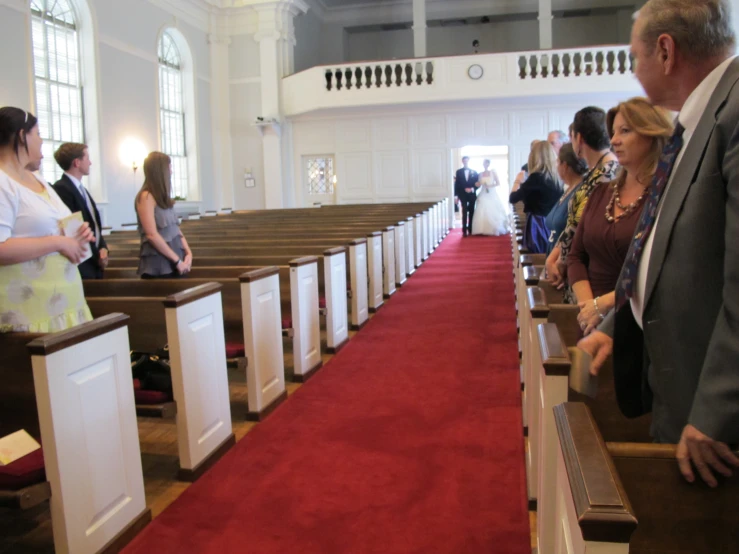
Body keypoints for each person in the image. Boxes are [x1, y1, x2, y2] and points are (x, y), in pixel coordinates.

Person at [579, 0, 739, 487]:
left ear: (665, 50)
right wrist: (618, 321)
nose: (633, 70)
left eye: (634, 56)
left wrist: (718, 408)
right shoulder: (694, 123)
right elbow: (660, 248)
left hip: (710, 413)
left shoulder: (733, 113)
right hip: (674, 381)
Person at [567, 97, 673, 335]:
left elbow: (663, 272)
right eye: (613, 132)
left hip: (640, 323)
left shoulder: (666, 194)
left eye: (625, 131)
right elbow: (576, 255)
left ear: (652, 134)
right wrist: (588, 308)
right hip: (590, 321)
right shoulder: (601, 192)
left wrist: (604, 305)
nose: (614, 140)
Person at [0, 107, 94, 332]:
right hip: (31, 312)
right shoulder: (3, 181)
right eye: (38, 133)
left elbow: (56, 224)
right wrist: (59, 242)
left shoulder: (37, 178)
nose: (42, 141)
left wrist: (78, 235)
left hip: (67, 305)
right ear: (22, 135)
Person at [545, 107, 619, 302]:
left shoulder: (607, 173)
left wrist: (560, 261)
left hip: (592, 272)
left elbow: (581, 227)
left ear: (579, 138)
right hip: (576, 265)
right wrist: (555, 256)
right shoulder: (597, 171)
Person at [52, 142, 108, 279]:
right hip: (83, 264)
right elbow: (76, 230)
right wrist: (97, 257)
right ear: (77, 162)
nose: (90, 162)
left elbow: (94, 224)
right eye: (87, 158)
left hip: (94, 261)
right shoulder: (62, 189)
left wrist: (104, 249)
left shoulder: (82, 189)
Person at [134, 152, 192, 278]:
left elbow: (176, 230)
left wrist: (188, 253)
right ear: (160, 171)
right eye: (169, 168)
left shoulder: (163, 197)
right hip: (159, 264)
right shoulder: (146, 197)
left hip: (177, 260)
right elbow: (151, 235)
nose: (171, 172)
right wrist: (176, 260)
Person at [509, 141, 562, 253]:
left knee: (538, 256)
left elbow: (513, 198)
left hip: (538, 224)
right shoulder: (557, 179)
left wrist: (518, 180)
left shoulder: (536, 178)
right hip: (554, 223)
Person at [544, 143, 588, 254]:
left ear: (565, 166)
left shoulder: (580, 191)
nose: (556, 166)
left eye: (558, 162)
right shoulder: (568, 189)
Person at [471, 159, 509, 236]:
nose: (485, 165)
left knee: (492, 208)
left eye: (487, 163)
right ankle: (481, 229)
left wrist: (490, 186)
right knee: (481, 208)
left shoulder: (493, 173)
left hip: (491, 192)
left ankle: (493, 228)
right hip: (483, 192)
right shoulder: (480, 174)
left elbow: (498, 183)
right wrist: (477, 184)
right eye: (484, 163)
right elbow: (479, 183)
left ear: (489, 164)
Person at [454, 156, 478, 236]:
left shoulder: (474, 172)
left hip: (472, 194)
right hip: (462, 194)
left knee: (472, 211)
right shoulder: (459, 172)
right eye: (464, 161)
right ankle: (464, 230)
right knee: (464, 211)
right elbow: (457, 184)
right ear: (462, 162)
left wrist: (472, 189)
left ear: (468, 161)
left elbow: (477, 184)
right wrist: (456, 196)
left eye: (466, 161)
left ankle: (470, 229)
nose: (465, 162)